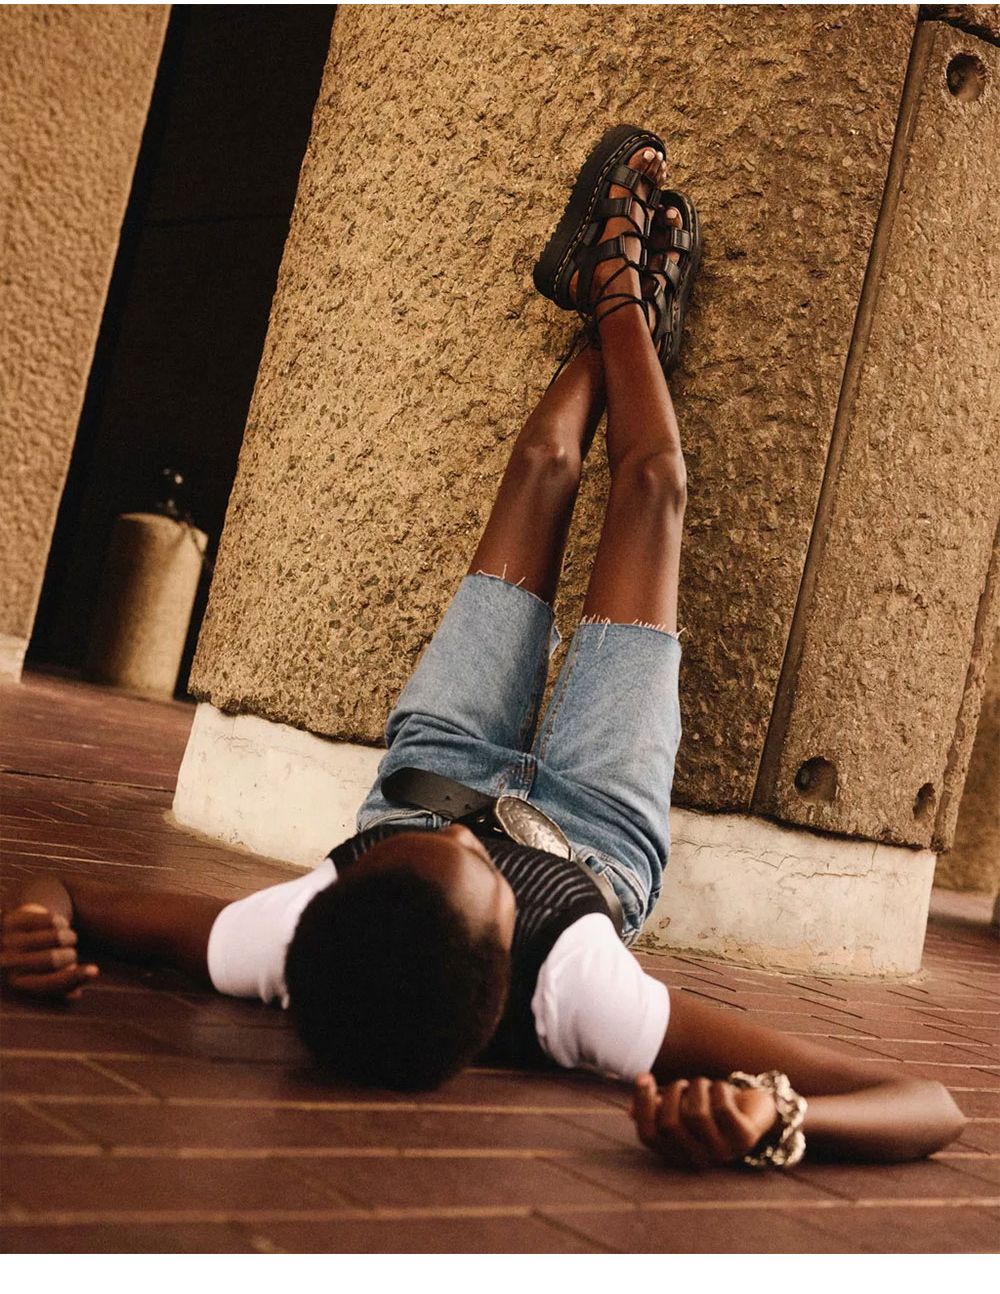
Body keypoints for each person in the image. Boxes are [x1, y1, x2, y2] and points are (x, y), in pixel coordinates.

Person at [0, 127, 964, 1171]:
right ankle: (622, 308)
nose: (472, 834)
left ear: (334, 894)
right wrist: (780, 1120)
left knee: (544, 464)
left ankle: (614, 310)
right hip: (595, 826)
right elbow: (927, 1104)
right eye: (477, 865)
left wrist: (35, 921)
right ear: (509, 961)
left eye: (420, 846)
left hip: (433, 766)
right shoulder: (582, 999)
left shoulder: (278, 939)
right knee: (653, 489)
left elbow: (70, 897)